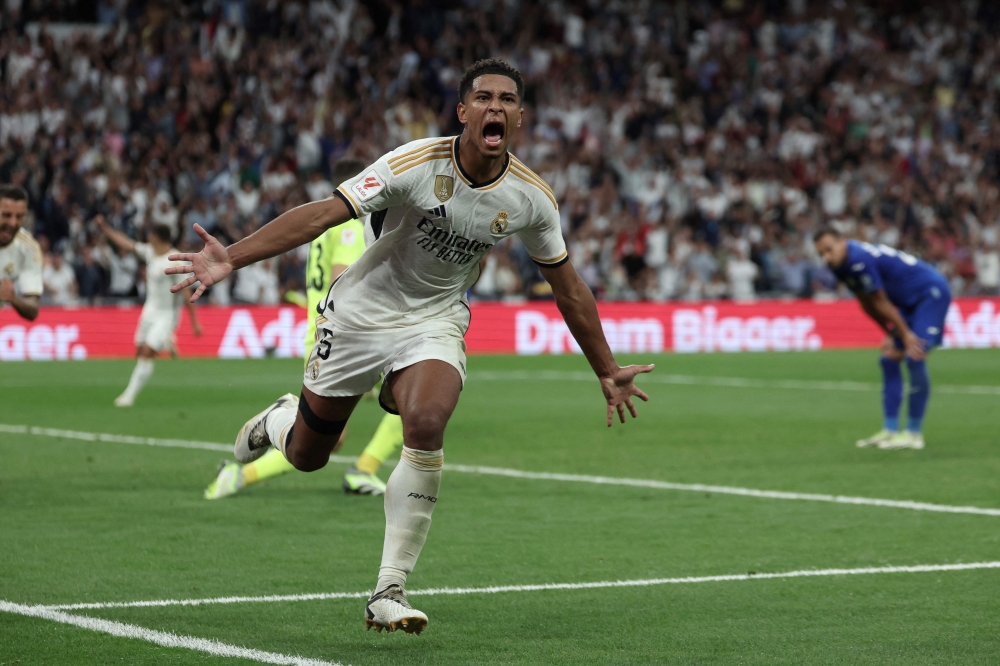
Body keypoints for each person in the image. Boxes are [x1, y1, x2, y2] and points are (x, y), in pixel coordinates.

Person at [168, 58, 653, 635]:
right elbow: (324, 213)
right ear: (463, 111)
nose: (494, 107)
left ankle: (388, 589)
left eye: (506, 100)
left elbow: (567, 285)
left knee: (425, 420)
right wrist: (234, 255)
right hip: (359, 314)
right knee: (307, 455)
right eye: (483, 97)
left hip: (435, 318)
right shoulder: (414, 164)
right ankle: (279, 423)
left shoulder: (530, 199)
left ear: (519, 118)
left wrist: (605, 368)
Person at [205, 159, 406, 500]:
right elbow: (341, 278)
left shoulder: (329, 222)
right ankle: (240, 473)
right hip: (348, 335)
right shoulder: (350, 226)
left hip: (331, 331)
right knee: (321, 439)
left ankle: (363, 469)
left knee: (412, 397)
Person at [814, 227, 951, 450]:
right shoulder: (839, 265)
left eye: (829, 250)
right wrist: (889, 332)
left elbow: (879, 299)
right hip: (909, 303)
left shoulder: (859, 258)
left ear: (843, 242)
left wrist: (905, 334)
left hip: (930, 294)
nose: (826, 257)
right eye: (821, 253)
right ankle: (889, 430)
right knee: (888, 359)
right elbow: (866, 301)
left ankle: (913, 434)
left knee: (914, 356)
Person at [96, 216, 202, 406]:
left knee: (146, 353)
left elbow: (186, 294)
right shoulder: (150, 252)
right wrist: (105, 228)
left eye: (150, 235)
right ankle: (166, 342)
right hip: (149, 312)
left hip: (166, 315)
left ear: (157, 238)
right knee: (138, 351)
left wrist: (194, 323)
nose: (148, 237)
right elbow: (126, 244)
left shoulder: (175, 261)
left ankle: (129, 396)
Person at [0, 185, 41, 321]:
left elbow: (33, 308)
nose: (12, 223)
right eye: (6, 215)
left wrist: (13, 298)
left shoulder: (28, 249)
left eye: (19, 217)